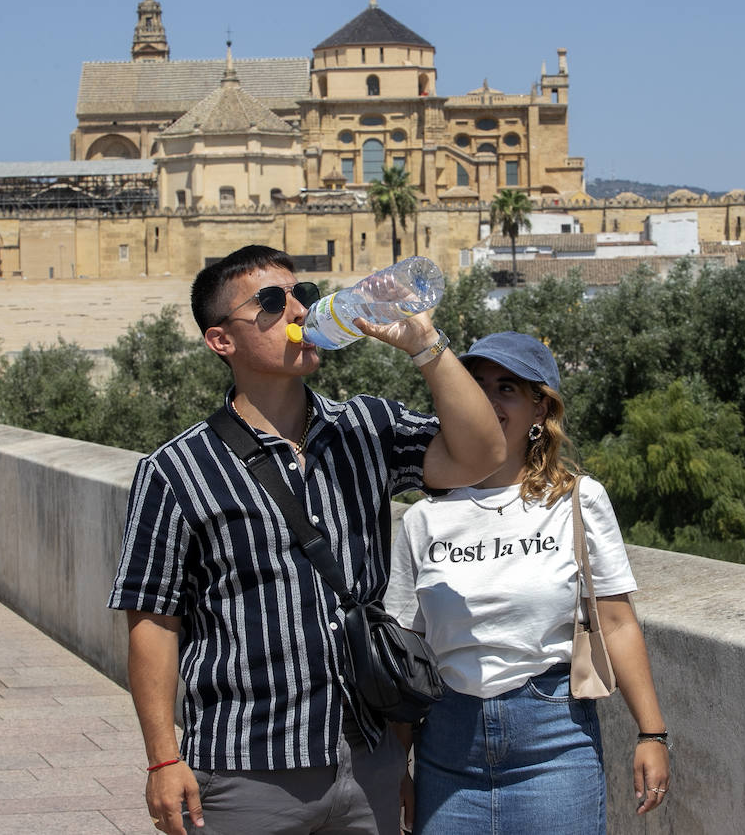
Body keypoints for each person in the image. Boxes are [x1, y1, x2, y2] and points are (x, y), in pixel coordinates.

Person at [108, 245, 505, 835]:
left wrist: (427, 345)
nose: (297, 309)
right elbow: (153, 621)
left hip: (367, 757)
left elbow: (482, 455)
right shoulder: (175, 471)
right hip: (247, 769)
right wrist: (164, 758)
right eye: (272, 302)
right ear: (222, 341)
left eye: (303, 295)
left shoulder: (366, 428)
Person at [384, 331, 670, 835]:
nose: (488, 401)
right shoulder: (424, 518)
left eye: (507, 388)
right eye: (477, 386)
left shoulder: (577, 501)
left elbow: (618, 622)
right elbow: (409, 653)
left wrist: (652, 733)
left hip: (554, 743)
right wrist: (396, 769)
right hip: (447, 749)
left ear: (540, 411)